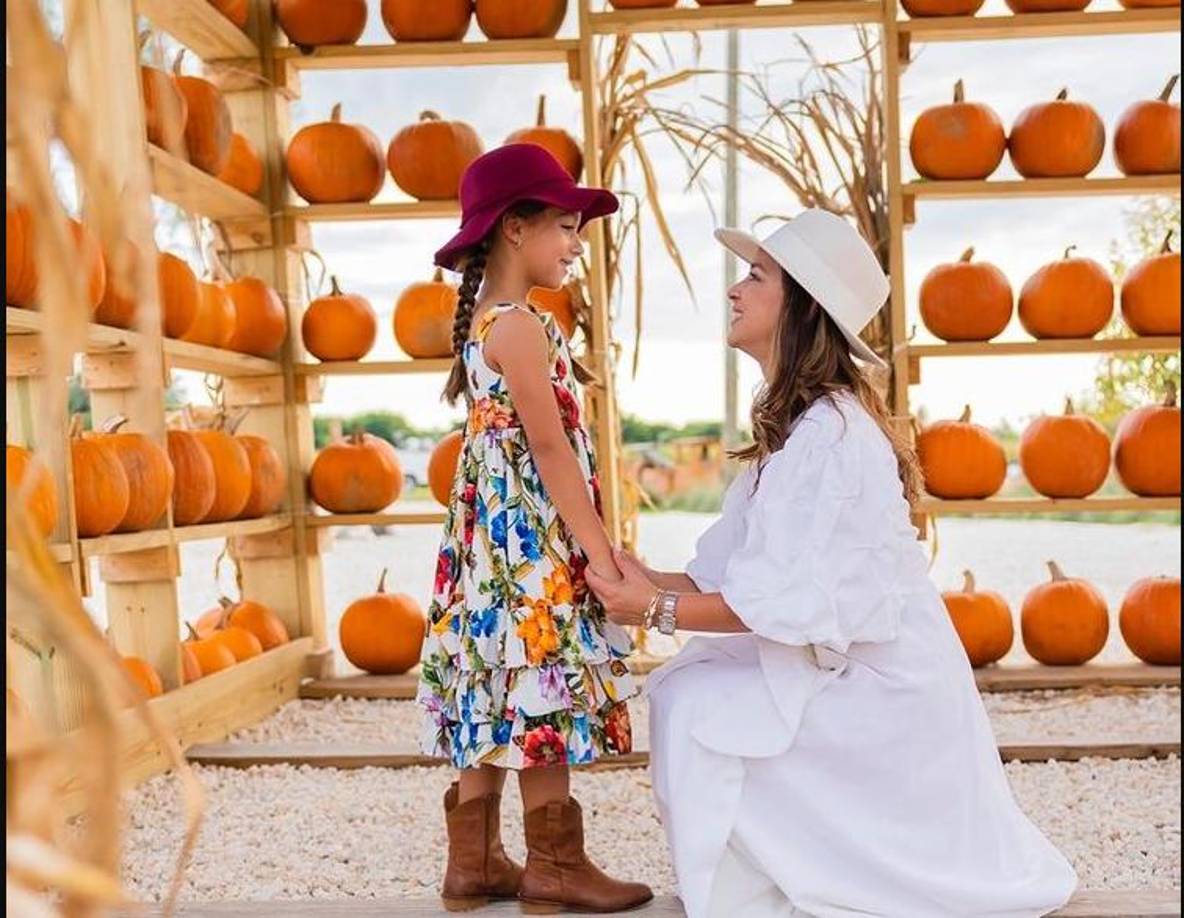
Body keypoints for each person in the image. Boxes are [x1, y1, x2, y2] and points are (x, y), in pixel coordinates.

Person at [588, 209, 1078, 918]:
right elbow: (727, 580)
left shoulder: (833, 438)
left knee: (698, 704)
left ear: (804, 309)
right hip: (834, 657)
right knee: (686, 688)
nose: (734, 290)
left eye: (756, 277)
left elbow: (786, 609)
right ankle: (775, 873)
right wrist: (636, 575)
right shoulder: (799, 432)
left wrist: (654, 611)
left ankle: (821, 876)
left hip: (883, 687)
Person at [416, 143, 653, 914]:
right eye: (564, 227)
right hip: (529, 553)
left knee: (493, 684)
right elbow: (550, 450)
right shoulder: (520, 327)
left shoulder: (488, 324)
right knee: (540, 684)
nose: (575, 245)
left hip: (490, 554)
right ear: (514, 229)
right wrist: (599, 548)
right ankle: (555, 864)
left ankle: (476, 862)